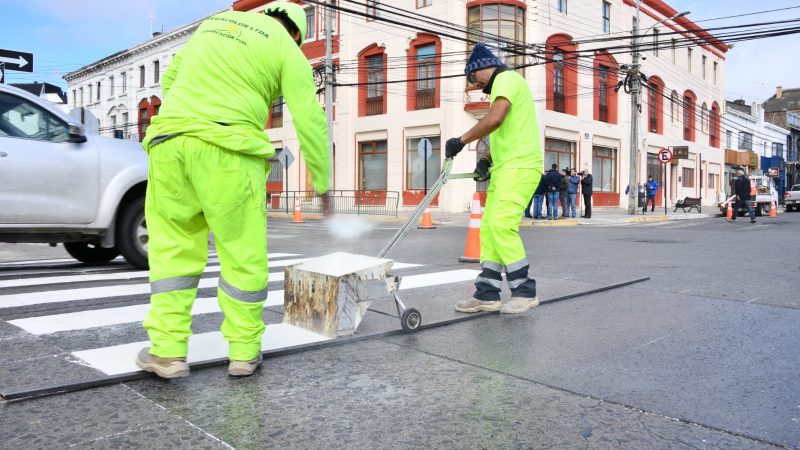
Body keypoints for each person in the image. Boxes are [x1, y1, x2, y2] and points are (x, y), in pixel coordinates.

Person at [135, 3, 331, 379]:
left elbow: (171, 78)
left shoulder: (212, 25)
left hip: (169, 144)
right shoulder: (286, 48)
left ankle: (167, 352)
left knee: (172, 255)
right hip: (230, 151)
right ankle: (243, 353)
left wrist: (191, 114)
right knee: (242, 255)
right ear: (295, 32)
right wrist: (321, 182)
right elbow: (309, 116)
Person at [444, 43, 542, 314]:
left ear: (480, 69)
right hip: (505, 169)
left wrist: (461, 141)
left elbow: (495, 119)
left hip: (520, 168)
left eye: (474, 80)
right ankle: (487, 294)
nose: (476, 86)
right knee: (488, 231)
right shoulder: (502, 86)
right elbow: (500, 132)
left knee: (501, 226)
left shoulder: (507, 79)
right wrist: (486, 160)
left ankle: (525, 291)